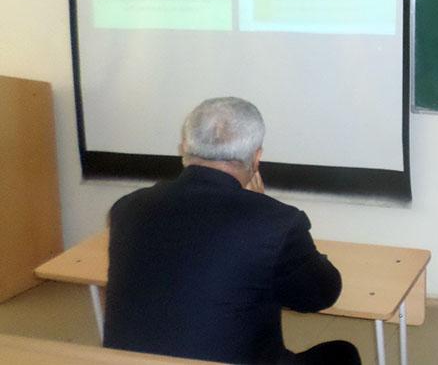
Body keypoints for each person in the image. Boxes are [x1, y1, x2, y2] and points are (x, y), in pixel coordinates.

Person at [104, 97, 361, 365]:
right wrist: (261, 207)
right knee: (342, 354)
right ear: (257, 157)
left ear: (185, 148)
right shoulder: (275, 222)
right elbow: (320, 295)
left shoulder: (127, 208)